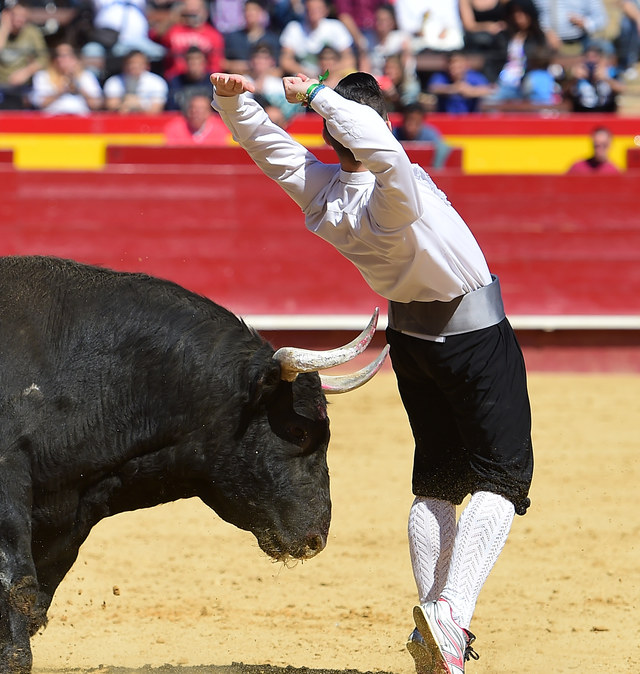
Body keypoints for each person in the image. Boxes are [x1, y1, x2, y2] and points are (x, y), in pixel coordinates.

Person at [209, 67, 533, 674]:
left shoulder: (325, 196)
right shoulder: (394, 190)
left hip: (412, 342)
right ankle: (451, 614)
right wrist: (315, 97)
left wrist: (237, 106)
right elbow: (379, 146)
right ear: (375, 125)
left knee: (437, 479)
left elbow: (272, 150)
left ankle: (439, 619)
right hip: (475, 338)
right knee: (503, 478)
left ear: (332, 141)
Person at [0, 1, 48, 109]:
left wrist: (26, 71)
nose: (19, 19)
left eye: (23, 16)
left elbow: (44, 58)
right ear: (7, 15)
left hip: (23, 87)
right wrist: (4, 28)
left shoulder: (32, 33)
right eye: (16, 15)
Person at [279, 0, 356, 80]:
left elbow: (349, 60)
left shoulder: (336, 27)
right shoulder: (294, 28)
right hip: (304, 79)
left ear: (326, 10)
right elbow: (285, 61)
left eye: (317, 9)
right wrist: (309, 74)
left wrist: (329, 75)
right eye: (310, 9)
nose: (313, 12)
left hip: (333, 78)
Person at [29, 41, 103, 114]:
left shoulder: (86, 76)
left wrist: (77, 85)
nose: (62, 60)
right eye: (59, 56)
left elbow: (96, 104)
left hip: (81, 119)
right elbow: (40, 103)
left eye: (66, 56)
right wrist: (60, 91)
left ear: (75, 58)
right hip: (52, 119)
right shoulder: (42, 76)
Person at [103, 48, 169, 113]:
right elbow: (110, 106)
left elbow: (156, 109)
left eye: (138, 63)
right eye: (131, 63)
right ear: (124, 65)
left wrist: (139, 104)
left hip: (149, 122)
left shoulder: (157, 82)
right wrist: (125, 105)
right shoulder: (114, 81)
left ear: (147, 65)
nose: (134, 66)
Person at [427, 50, 493, 112]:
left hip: (471, 118)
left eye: (459, 63)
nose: (455, 66)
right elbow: (433, 88)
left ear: (466, 64)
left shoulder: (474, 76)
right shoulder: (441, 76)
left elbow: (490, 89)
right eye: (452, 63)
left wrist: (471, 91)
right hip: (446, 118)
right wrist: (453, 89)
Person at [393, 101, 453, 169]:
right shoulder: (394, 133)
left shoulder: (428, 133)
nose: (411, 127)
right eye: (409, 121)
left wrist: (436, 169)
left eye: (417, 123)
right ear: (403, 120)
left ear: (421, 122)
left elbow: (443, 147)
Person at [163, 91, 229, 144]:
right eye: (192, 108)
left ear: (209, 112)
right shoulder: (174, 128)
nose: (195, 113)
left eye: (200, 109)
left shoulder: (220, 129)